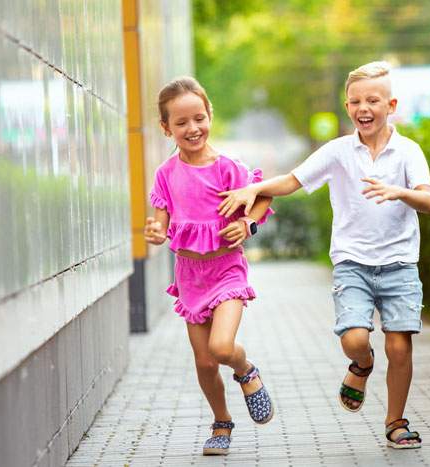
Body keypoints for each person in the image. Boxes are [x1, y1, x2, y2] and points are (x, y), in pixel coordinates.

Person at [218, 61, 430, 449]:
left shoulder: (408, 151)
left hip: (400, 264)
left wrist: (398, 192)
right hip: (352, 264)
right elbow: (293, 180)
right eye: (355, 101)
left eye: (372, 100)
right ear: (347, 106)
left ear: (391, 104)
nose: (363, 107)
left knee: (400, 346)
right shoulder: (337, 151)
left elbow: (428, 200)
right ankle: (362, 364)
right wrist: (254, 190)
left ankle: (395, 421)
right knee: (354, 338)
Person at [144, 77, 275, 456]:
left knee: (221, 347)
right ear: (167, 128)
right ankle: (222, 422)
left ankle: (246, 370)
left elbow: (263, 195)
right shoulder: (166, 174)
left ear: (209, 117)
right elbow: (161, 222)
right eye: (181, 122)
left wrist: (246, 222)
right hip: (189, 277)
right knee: (204, 363)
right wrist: (155, 233)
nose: (192, 128)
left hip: (226, 270)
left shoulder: (229, 168)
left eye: (198, 118)